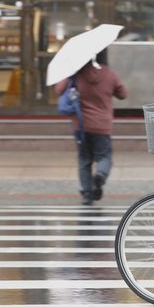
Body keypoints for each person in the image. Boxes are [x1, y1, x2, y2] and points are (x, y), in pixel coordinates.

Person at [55, 57, 127, 205]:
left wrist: (70, 73)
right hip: (102, 125)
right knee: (104, 156)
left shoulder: (75, 74)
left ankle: (87, 194)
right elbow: (123, 94)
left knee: (84, 160)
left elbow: (58, 90)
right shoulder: (109, 74)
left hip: (81, 125)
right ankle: (100, 175)